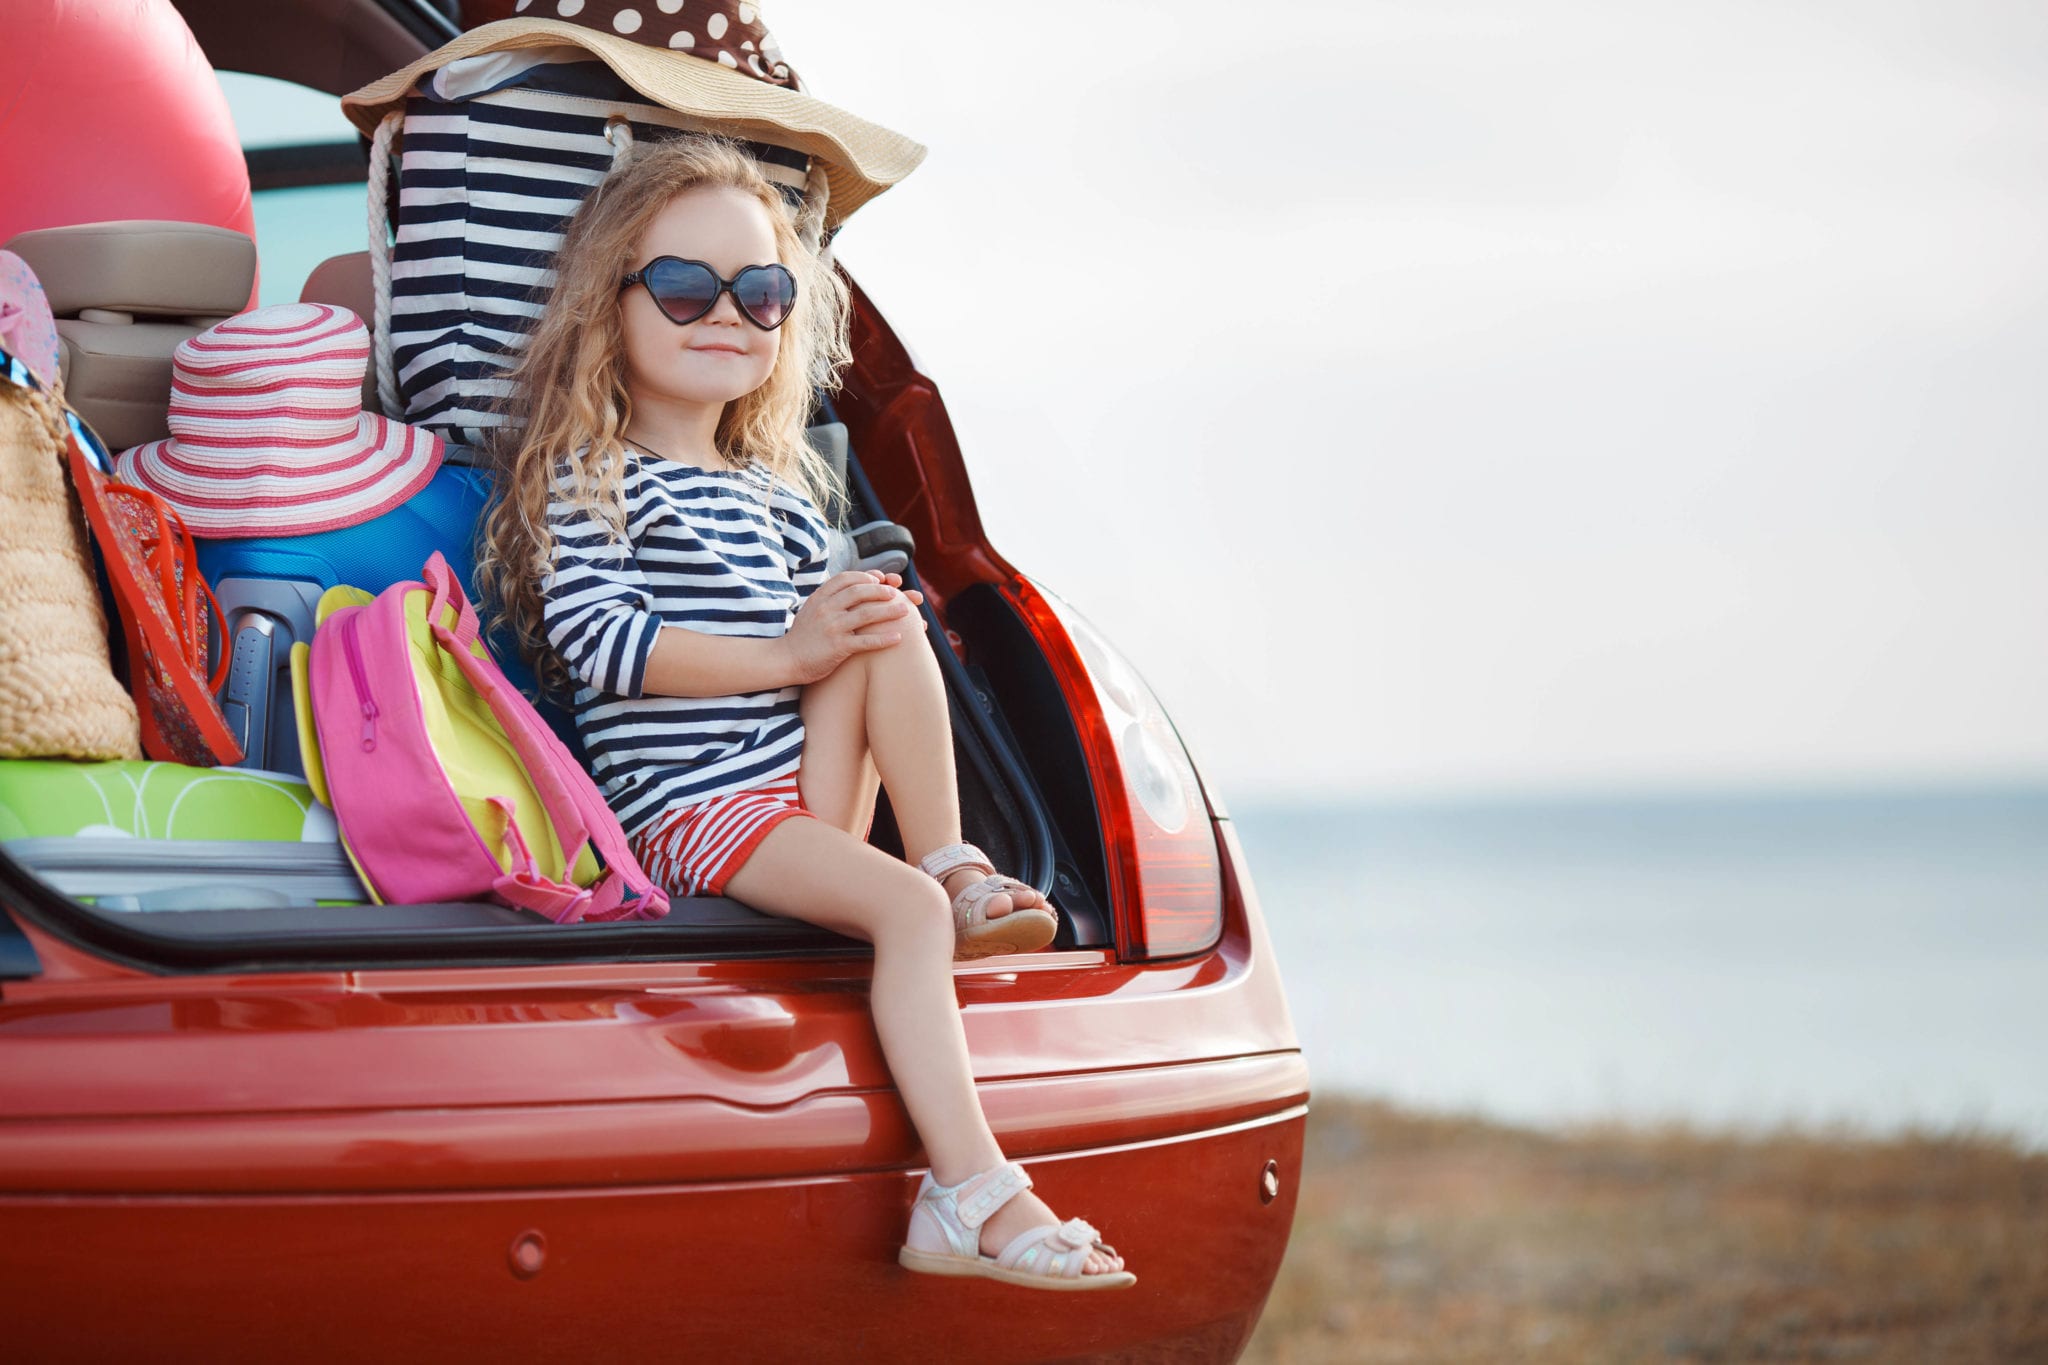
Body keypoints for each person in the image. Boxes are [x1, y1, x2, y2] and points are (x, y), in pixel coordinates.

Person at [475, 134, 1134, 1290]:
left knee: (880, 609)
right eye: (683, 286)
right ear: (607, 307)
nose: (727, 313)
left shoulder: (776, 496)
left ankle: (949, 858)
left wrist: (825, 635)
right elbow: (604, 645)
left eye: (763, 292)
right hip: (693, 809)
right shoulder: (591, 476)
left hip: (794, 791)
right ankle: (972, 1189)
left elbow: (838, 656)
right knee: (908, 919)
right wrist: (789, 650)